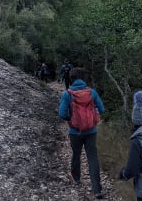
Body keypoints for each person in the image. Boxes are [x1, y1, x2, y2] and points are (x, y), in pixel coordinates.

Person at [58, 68, 106, 199]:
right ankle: (97, 189)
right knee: (92, 157)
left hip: (75, 132)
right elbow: (102, 109)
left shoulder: (67, 94)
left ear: (71, 79)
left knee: (76, 154)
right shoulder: (92, 92)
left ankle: (77, 179)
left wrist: (72, 119)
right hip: (91, 131)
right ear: (82, 78)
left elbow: (62, 113)